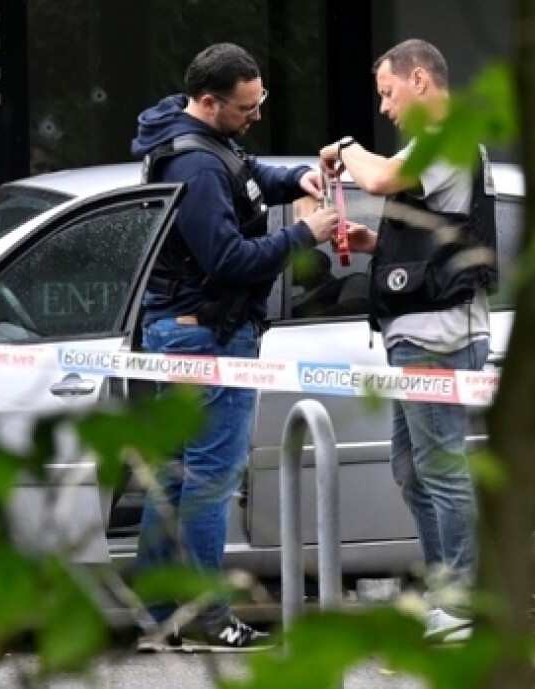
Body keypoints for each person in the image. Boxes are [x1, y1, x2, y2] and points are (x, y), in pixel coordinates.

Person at [130, 42, 339, 652]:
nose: (256, 114)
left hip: (185, 331)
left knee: (173, 478)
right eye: (247, 107)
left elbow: (246, 173)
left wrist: (297, 178)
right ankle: (209, 616)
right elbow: (226, 259)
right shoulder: (193, 168)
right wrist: (305, 232)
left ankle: (158, 613)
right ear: (210, 101)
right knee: (209, 480)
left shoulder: (193, 133)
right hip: (207, 336)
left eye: (261, 100)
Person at [319, 38, 497, 643]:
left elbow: (384, 176)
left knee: (439, 469)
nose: (387, 108)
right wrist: (375, 244)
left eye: (388, 94)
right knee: (411, 469)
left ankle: (462, 598)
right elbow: (435, 230)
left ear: (420, 80)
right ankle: (448, 589)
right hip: (423, 334)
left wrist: (346, 149)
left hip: (438, 336)